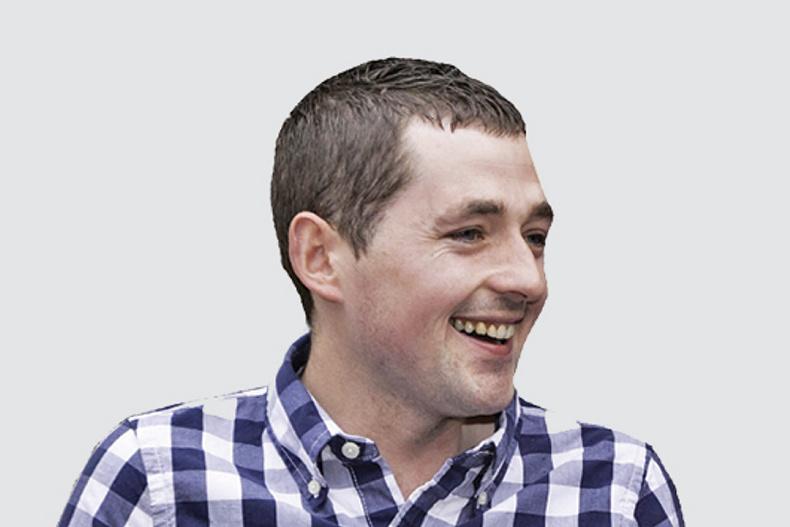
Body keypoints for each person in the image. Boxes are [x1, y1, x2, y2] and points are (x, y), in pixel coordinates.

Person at [58, 58, 684, 526]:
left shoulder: (615, 491)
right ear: (320, 257)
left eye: (535, 237)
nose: (528, 279)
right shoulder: (160, 482)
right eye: (469, 233)